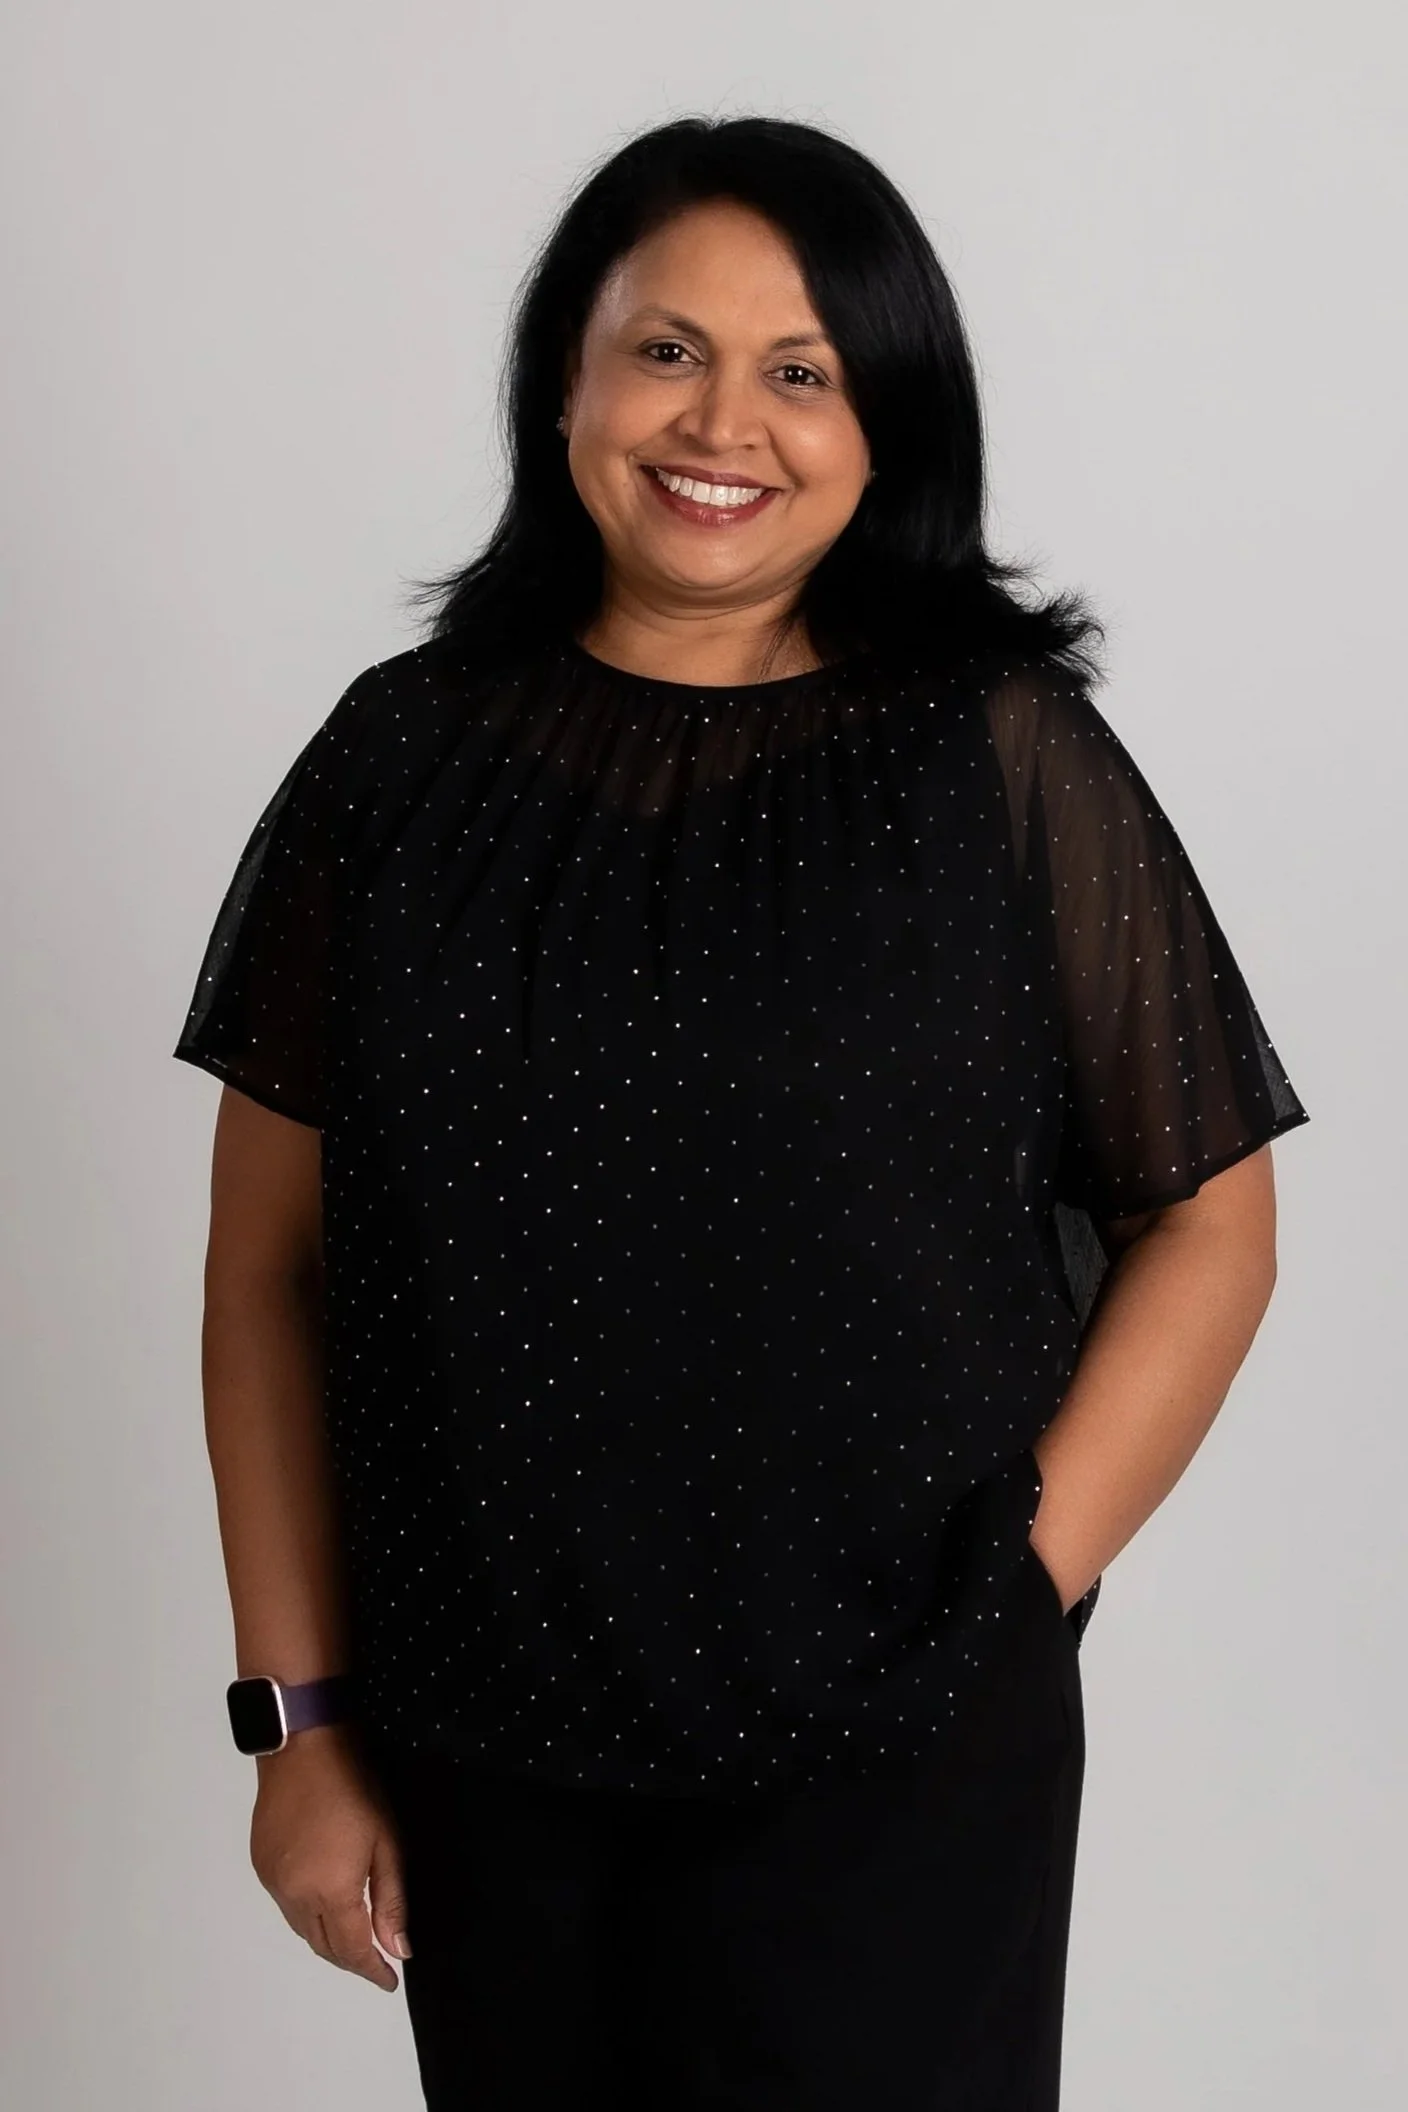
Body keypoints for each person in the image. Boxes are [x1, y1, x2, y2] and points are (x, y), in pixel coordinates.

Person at [172, 114, 1311, 2112]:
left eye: (802, 368)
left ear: (890, 425)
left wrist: (1007, 1608)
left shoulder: (1000, 762)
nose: (724, 420)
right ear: (565, 382)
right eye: (663, 348)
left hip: (900, 1744)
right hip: (484, 1737)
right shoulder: (397, 762)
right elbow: (266, 1266)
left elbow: (1206, 1215)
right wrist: (299, 1724)